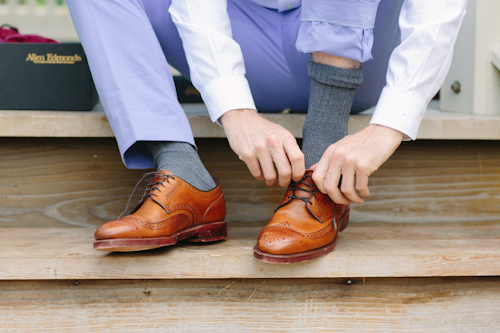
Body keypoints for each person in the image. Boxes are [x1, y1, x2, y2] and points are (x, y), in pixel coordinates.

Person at [67, 0, 468, 263]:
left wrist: (388, 127)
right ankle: (181, 169)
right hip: (245, 39)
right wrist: (235, 110)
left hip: (363, 52)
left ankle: (320, 173)